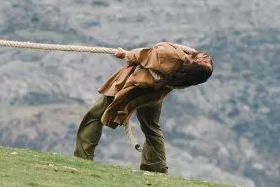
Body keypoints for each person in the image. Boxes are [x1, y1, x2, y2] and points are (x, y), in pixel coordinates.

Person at [73, 41, 214, 172]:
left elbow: (143, 55)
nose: (206, 58)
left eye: (205, 62)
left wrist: (125, 54)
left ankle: (82, 158)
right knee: (151, 128)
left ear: (194, 68)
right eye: (208, 61)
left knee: (95, 115)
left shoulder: (172, 55)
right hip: (153, 96)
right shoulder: (185, 76)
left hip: (131, 88)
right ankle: (156, 168)